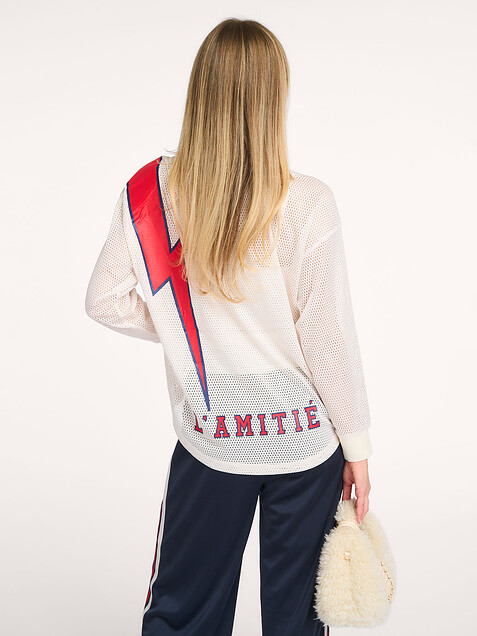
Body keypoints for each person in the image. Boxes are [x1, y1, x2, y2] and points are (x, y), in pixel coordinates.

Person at [85, 17, 372, 636]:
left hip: (213, 436)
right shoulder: (307, 202)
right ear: (274, 99)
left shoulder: (151, 193)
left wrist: (195, 341)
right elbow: (328, 341)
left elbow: (105, 300)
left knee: (183, 615)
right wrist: (358, 448)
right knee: (297, 622)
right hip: (304, 442)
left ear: (201, 90)